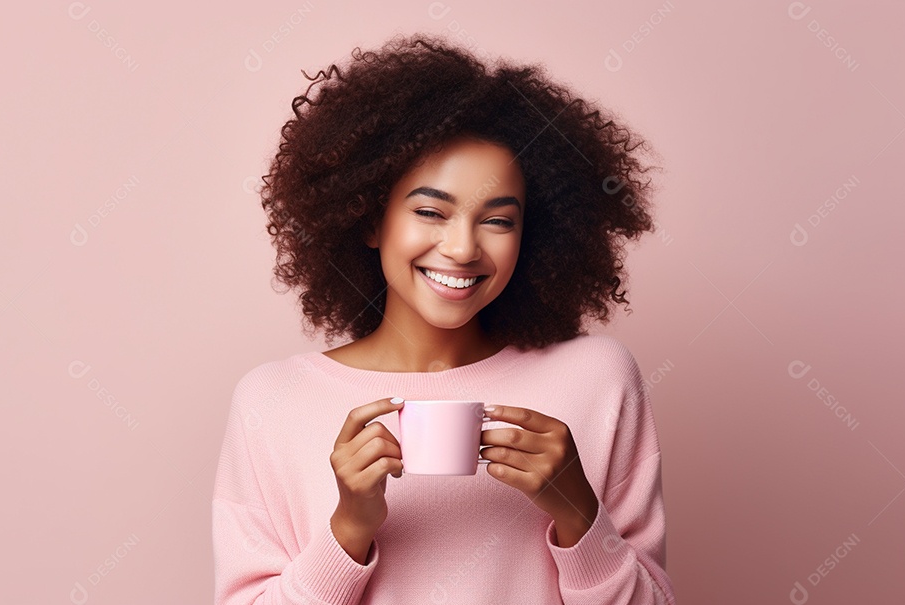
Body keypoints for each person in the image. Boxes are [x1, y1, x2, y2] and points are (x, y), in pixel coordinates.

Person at [213, 33, 674, 604]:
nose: (461, 248)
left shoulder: (599, 380)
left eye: (498, 220)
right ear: (369, 219)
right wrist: (350, 527)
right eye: (431, 211)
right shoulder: (272, 403)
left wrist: (579, 513)